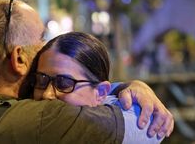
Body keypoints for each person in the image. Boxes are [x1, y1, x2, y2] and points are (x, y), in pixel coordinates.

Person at [0, 0, 173, 143]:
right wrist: (132, 93)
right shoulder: (43, 119)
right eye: (40, 38)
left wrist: (129, 86)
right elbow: (146, 128)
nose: (45, 46)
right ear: (19, 59)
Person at [30, 32, 166, 143]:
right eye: (42, 80)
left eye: (64, 83)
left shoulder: (133, 124)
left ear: (101, 93)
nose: (46, 94)